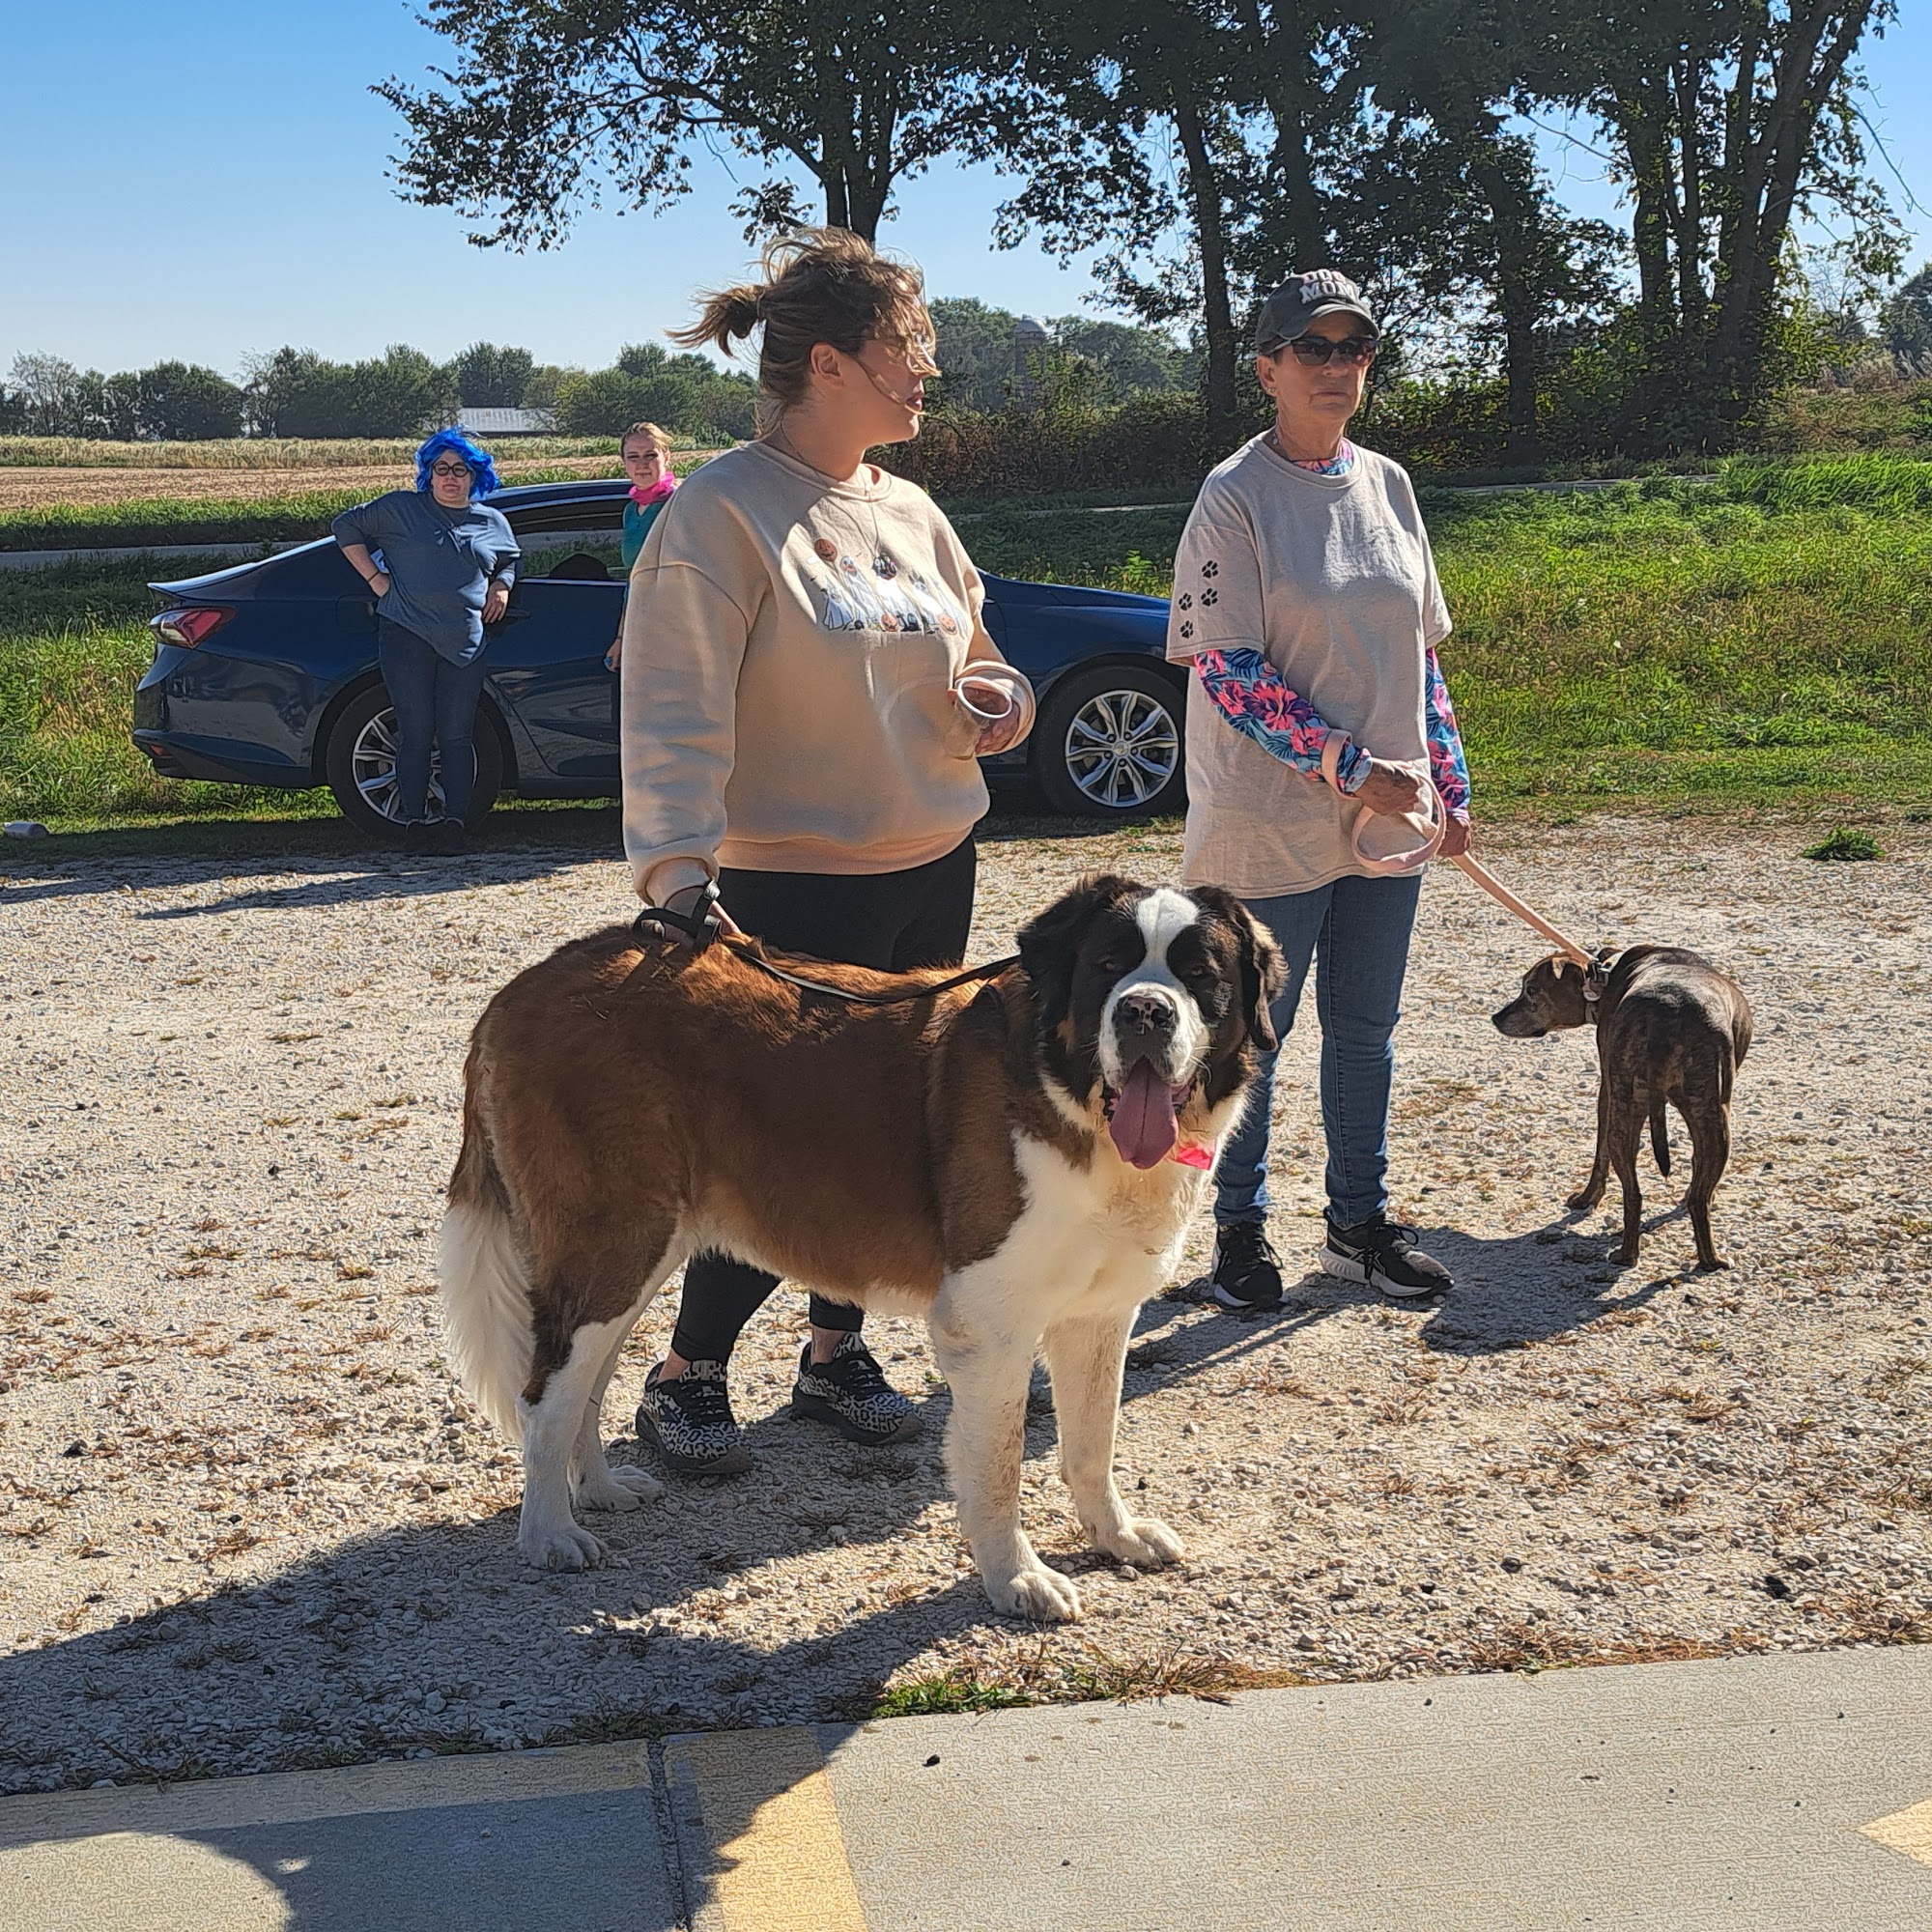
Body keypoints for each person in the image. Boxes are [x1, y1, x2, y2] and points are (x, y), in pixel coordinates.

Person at [619, 229, 1036, 1474]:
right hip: (785, 881)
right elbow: (672, 705)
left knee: (892, 1133)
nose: (926, 370)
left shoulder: (907, 508)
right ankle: (686, 1374)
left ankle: (834, 1349)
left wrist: (998, 698)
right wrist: (676, 873)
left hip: (929, 861)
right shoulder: (720, 512)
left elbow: (971, 654)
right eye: (910, 346)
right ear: (833, 360)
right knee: (780, 1146)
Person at [1165, 269, 1475, 1310]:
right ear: (1267, 369)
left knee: (1365, 1030)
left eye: (1353, 349)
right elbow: (1229, 670)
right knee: (1248, 1032)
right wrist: (1349, 765)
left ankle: (1356, 1223)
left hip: (1388, 812)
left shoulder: (1387, 484)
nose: (1337, 367)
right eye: (1313, 349)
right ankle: (1233, 1233)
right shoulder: (1232, 497)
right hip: (1267, 818)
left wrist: (1446, 778)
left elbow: (1419, 653)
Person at [332, 430, 519, 856]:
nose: (451, 478)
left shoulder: (492, 521)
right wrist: (375, 580)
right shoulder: (400, 509)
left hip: (465, 641)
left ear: (476, 476)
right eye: (442, 469)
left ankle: (455, 823)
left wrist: (502, 586)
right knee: (415, 732)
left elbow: (510, 560)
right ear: (428, 473)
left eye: (462, 470)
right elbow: (345, 526)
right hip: (406, 634)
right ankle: (413, 823)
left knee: (456, 734)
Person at [603, 420, 678, 671]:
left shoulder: (680, 502)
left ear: (666, 457)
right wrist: (622, 636)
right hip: (642, 619)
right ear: (624, 462)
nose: (642, 464)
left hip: (676, 624)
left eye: (650, 455)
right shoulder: (631, 511)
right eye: (633, 457)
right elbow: (634, 579)